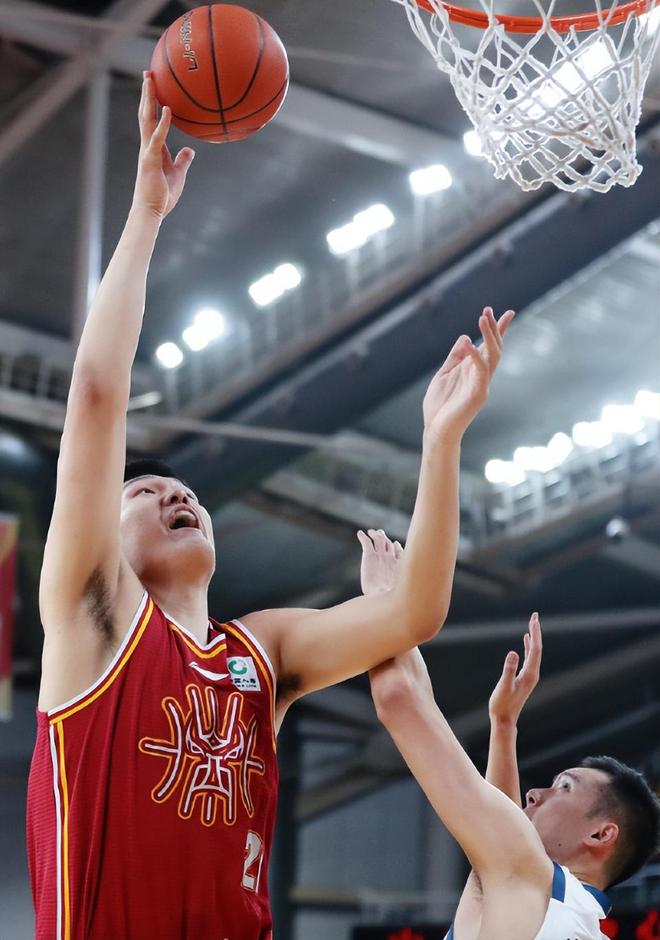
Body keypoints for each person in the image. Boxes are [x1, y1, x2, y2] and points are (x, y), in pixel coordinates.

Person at [26, 71, 515, 940]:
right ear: (105, 532)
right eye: (143, 492)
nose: (175, 491)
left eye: (182, 490)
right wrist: (146, 216)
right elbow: (97, 392)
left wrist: (440, 445)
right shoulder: (93, 616)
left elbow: (415, 612)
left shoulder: (261, 651)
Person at [367, 573, 660, 940]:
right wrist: (503, 726)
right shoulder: (568, 915)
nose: (534, 794)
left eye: (564, 787)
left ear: (601, 833)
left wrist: (386, 606)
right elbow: (500, 828)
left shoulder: (533, 886)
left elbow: (396, 698)